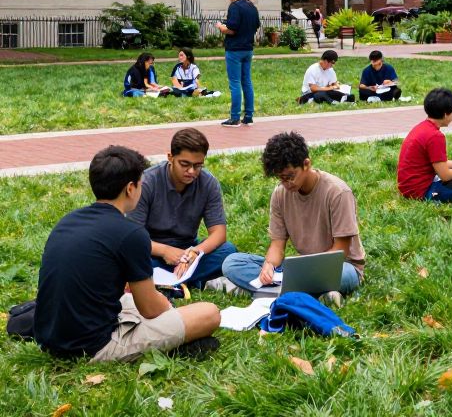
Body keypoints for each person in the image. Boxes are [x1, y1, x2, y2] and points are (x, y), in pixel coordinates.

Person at [34, 145, 220, 362]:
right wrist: (170, 311)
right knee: (209, 313)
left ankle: (172, 337)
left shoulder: (67, 221)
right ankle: (175, 343)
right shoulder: (131, 233)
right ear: (130, 188)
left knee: (130, 301)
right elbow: (150, 309)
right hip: (93, 348)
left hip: (49, 337)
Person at [220, 132, 365, 299]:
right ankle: (313, 294)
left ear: (306, 164)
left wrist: (303, 271)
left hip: (340, 266)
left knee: (345, 274)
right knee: (232, 263)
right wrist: (269, 266)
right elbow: (277, 245)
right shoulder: (280, 194)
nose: (286, 184)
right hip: (299, 267)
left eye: (290, 177)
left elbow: (340, 251)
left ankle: (267, 291)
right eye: (281, 178)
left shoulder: (338, 192)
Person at [127, 128, 237, 288]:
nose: (191, 171)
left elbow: (219, 234)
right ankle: (189, 279)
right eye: (185, 164)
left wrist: (195, 252)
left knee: (228, 251)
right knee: (130, 259)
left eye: (198, 165)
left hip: (188, 249)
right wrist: (165, 251)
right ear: (170, 157)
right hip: (152, 250)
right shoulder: (146, 183)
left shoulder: (208, 183)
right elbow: (133, 238)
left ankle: (172, 279)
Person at [217, 0, 260, 126]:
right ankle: (248, 115)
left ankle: (234, 117)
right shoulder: (251, 6)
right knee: (247, 82)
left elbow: (232, 28)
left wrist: (221, 27)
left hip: (234, 49)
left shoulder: (235, 6)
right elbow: (256, 25)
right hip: (248, 48)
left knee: (234, 83)